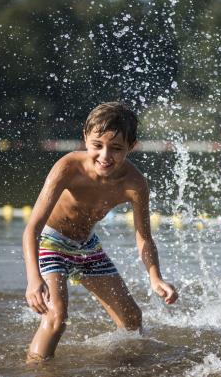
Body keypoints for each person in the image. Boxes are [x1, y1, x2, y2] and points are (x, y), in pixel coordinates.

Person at [22, 102, 178, 362]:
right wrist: (33, 278)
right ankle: (35, 368)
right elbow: (32, 228)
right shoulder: (68, 168)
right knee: (56, 318)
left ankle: (118, 366)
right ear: (85, 137)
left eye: (116, 149)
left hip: (87, 247)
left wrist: (155, 277)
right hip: (52, 241)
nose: (105, 156)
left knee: (132, 319)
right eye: (97, 145)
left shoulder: (135, 183)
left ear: (132, 146)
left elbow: (144, 236)